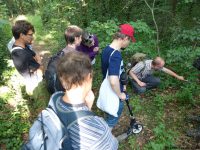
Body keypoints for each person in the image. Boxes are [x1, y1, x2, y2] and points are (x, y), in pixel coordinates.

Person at [51, 51, 118, 149]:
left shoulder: (54, 99)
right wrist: (87, 111)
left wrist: (86, 110)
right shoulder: (98, 128)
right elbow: (113, 146)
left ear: (61, 79)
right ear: (89, 77)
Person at [101, 24, 136, 129]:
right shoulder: (116, 55)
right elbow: (113, 80)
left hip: (106, 89)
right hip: (113, 92)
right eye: (129, 40)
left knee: (109, 112)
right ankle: (103, 140)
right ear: (125, 38)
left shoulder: (107, 49)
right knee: (112, 120)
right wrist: (120, 94)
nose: (129, 43)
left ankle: (105, 123)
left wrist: (123, 85)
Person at [45, 25, 83, 94]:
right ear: (76, 38)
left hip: (59, 86)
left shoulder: (62, 52)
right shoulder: (76, 57)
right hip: (67, 90)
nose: (81, 39)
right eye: (80, 37)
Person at [11, 20, 43, 95]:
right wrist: (40, 63)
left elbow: (35, 54)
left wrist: (37, 60)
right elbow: (40, 71)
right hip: (36, 87)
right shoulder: (21, 54)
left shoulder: (21, 46)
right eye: (30, 35)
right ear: (22, 35)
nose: (32, 37)